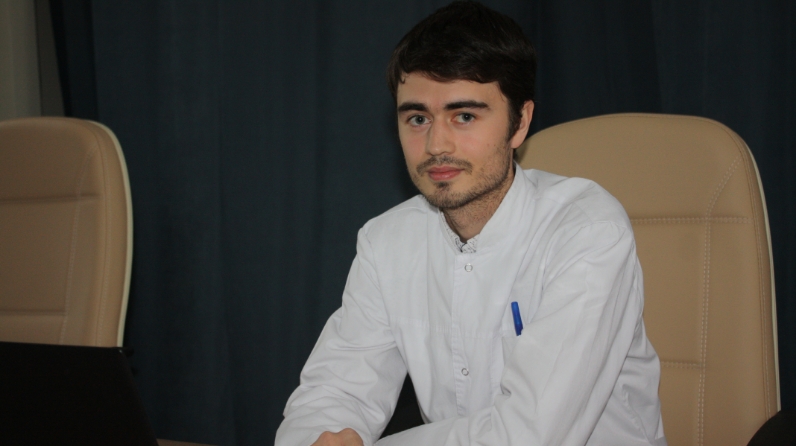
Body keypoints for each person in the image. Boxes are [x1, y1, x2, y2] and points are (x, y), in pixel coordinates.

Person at [275, 1, 666, 445]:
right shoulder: (387, 242)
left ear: (520, 123)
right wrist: (317, 438)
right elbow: (335, 393)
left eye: (464, 116)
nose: (436, 144)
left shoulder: (587, 231)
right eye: (418, 118)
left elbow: (528, 435)